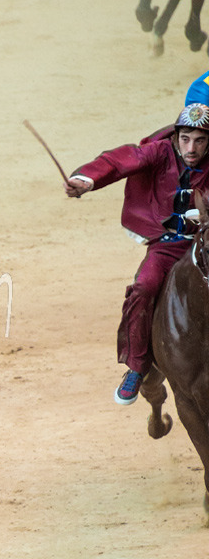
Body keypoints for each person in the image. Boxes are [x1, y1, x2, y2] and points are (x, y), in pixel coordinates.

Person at [64, 103, 209, 404]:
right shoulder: (159, 152)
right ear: (175, 137)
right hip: (167, 247)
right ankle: (136, 366)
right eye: (185, 138)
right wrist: (87, 180)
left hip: (204, 244)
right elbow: (121, 161)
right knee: (143, 287)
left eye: (199, 140)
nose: (191, 148)